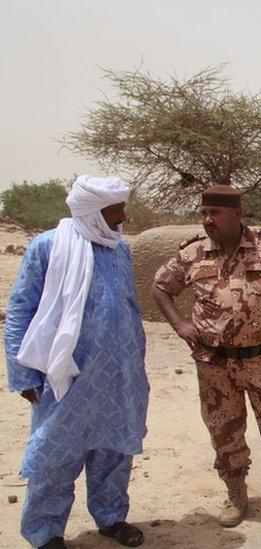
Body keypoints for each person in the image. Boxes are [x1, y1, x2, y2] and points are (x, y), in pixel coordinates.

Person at [151, 185, 261, 530]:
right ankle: (235, 493)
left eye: (215, 213)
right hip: (214, 363)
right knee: (223, 430)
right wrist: (181, 325)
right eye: (203, 214)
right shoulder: (193, 253)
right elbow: (160, 286)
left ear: (237, 214)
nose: (207, 220)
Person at [4, 176, 149, 549]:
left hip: (118, 373)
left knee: (115, 450)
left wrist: (136, 364)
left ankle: (112, 517)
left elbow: (128, 306)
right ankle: (46, 533)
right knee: (56, 454)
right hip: (65, 374)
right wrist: (22, 376)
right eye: (115, 209)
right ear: (93, 211)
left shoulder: (120, 249)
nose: (123, 216)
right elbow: (22, 309)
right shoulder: (47, 246)